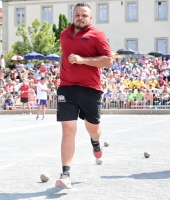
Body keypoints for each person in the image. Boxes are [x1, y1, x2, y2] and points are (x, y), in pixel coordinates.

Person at [55, 2, 112, 189]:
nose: (80, 17)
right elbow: (64, 55)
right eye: (77, 14)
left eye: (84, 15)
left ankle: (96, 143)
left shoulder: (97, 35)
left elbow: (108, 60)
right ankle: (65, 174)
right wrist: (61, 73)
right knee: (68, 129)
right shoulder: (63, 34)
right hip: (67, 88)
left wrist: (83, 60)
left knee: (93, 128)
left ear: (90, 18)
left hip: (90, 89)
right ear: (73, 16)